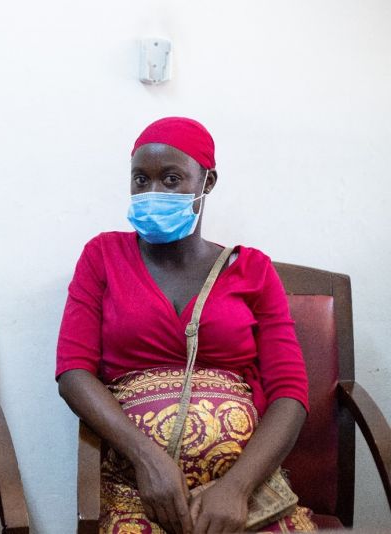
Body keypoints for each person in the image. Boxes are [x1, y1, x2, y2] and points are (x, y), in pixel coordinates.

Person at [56, 117, 316, 534]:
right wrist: (147, 460)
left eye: (171, 179)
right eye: (140, 179)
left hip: (245, 496)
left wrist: (236, 488)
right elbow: (73, 373)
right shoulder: (102, 256)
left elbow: (290, 392)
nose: (152, 192)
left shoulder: (253, 269)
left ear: (207, 182)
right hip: (139, 491)